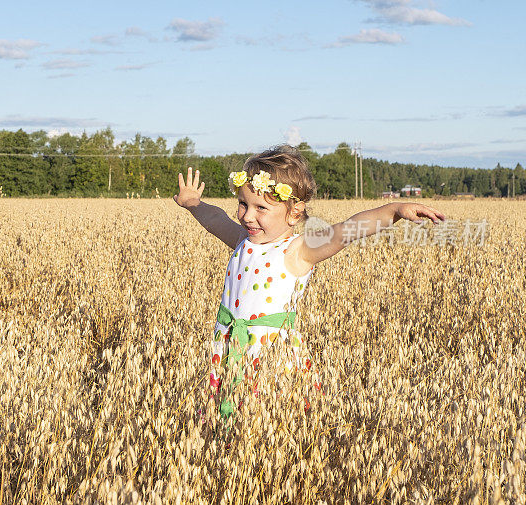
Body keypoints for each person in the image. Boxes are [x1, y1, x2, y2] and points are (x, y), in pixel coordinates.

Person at [173, 145, 446, 419]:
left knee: (271, 421)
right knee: (225, 421)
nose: (247, 216)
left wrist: (394, 210)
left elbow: (345, 231)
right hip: (231, 349)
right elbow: (215, 219)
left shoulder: (298, 250)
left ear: (294, 213)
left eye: (261, 208)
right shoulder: (243, 241)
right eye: (243, 203)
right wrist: (193, 204)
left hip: (271, 359)